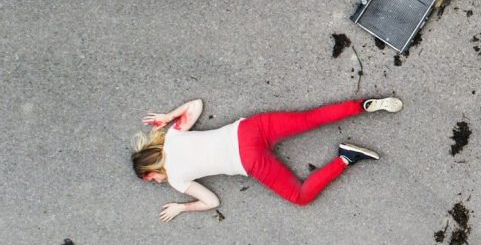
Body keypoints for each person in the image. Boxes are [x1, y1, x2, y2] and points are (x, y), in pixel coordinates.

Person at [131, 97, 402, 220]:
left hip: (249, 161)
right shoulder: (172, 137)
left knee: (301, 196)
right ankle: (364, 105)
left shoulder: (177, 180)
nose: (156, 182)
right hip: (249, 129)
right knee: (310, 118)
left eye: (152, 180)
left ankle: (346, 158)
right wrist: (168, 117)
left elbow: (212, 201)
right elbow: (196, 105)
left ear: (150, 170)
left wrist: (182, 207)